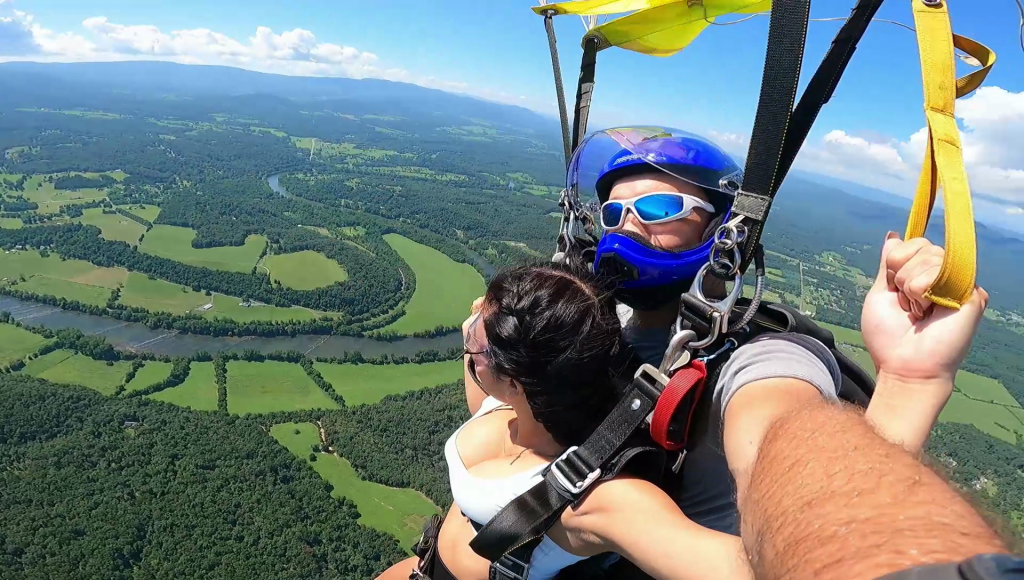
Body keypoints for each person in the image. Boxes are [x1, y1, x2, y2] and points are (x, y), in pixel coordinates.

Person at [377, 263, 759, 580]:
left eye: (477, 340)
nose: (471, 323)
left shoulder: (596, 499)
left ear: (514, 380)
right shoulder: (507, 404)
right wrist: (475, 332)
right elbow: (481, 396)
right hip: (424, 565)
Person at [737, 232, 1014, 579]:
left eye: (666, 206)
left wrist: (910, 380)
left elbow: (779, 425)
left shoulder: (774, 357)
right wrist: (909, 381)